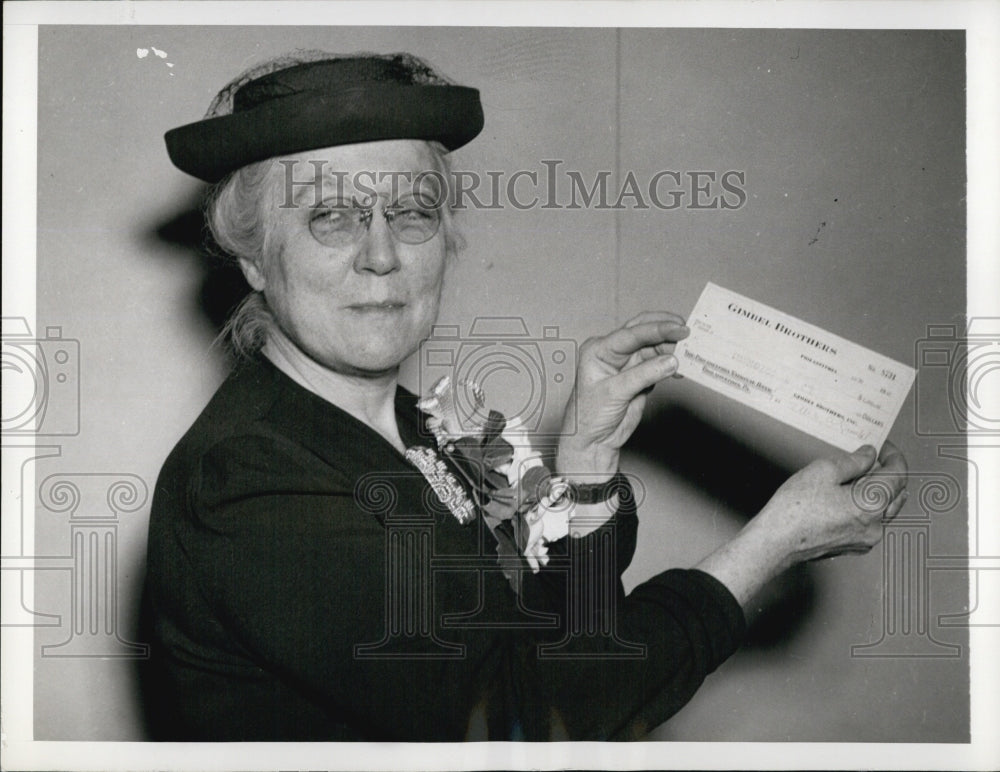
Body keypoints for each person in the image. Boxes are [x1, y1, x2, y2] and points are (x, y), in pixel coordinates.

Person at [141, 51, 909, 741]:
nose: (381, 256)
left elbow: (560, 632)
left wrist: (587, 458)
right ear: (253, 258)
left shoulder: (432, 426)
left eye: (411, 213)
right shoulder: (246, 474)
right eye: (331, 217)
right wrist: (766, 549)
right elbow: (525, 718)